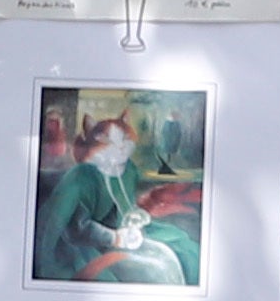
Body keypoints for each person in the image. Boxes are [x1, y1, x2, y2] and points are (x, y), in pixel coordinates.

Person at [35, 113, 189, 284]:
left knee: (174, 252)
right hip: (76, 246)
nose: (121, 147)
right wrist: (116, 238)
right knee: (155, 270)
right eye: (110, 141)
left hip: (112, 236)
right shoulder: (82, 176)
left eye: (124, 139)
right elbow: (74, 229)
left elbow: (123, 206)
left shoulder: (128, 170)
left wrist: (135, 216)